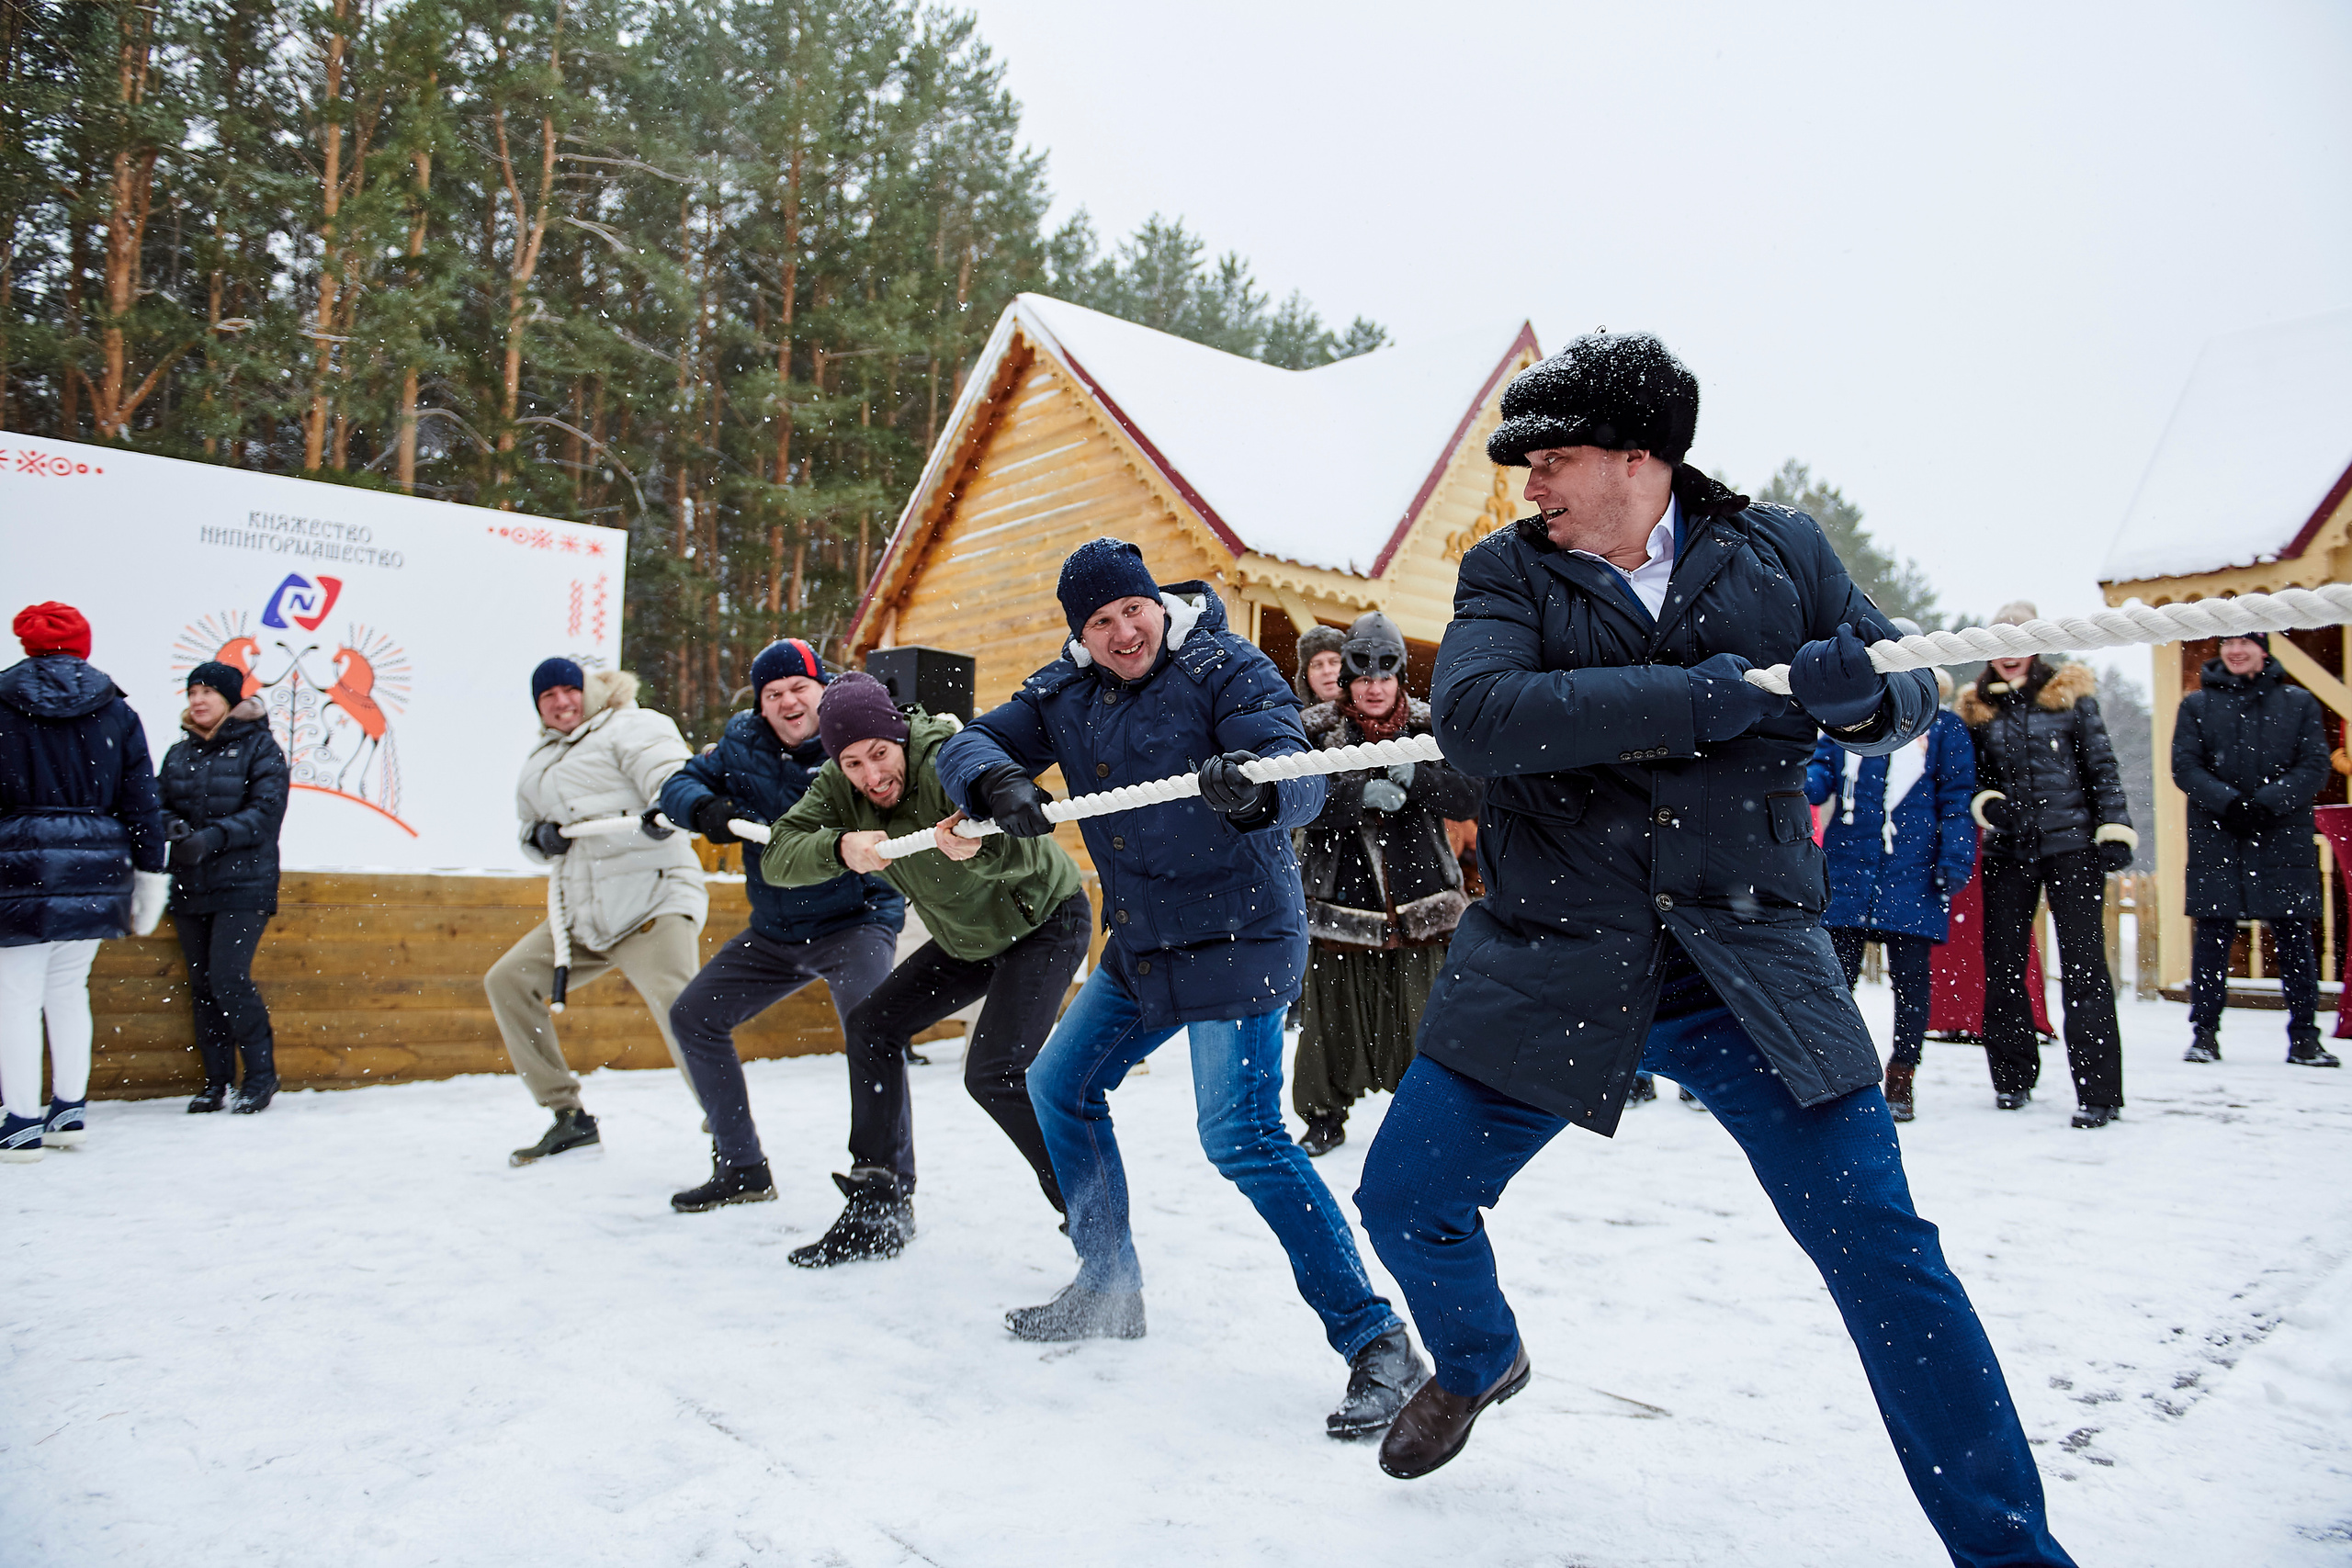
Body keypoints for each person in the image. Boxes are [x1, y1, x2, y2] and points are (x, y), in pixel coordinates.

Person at [1351, 333, 2075, 1568]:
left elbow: (1902, 685)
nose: (1530, 488)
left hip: (1750, 958)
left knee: (1887, 1254)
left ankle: (2012, 1552)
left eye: (1554, 461)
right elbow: (1476, 716)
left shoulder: (1782, 549)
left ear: (1642, 457)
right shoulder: (1506, 574)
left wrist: (1864, 698)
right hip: (1552, 953)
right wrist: (1708, 697)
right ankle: (1478, 1356)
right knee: (1406, 1195)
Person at [936, 537, 1431, 1442]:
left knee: (1238, 1135)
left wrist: (1251, 796)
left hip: (1241, 931)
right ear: (1080, 634)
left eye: (1133, 609)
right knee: (1058, 1086)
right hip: (1146, 943)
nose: (1123, 630)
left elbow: (1294, 773)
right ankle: (1106, 1284)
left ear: (1156, 602)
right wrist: (995, 779)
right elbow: (967, 741)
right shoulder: (1066, 691)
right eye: (1100, 621)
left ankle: (1378, 1341)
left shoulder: (1225, 664)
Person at [762, 671, 1090, 1264]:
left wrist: (981, 844)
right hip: (969, 940)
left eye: (881, 755)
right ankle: (878, 1203)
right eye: (854, 763)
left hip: (1044, 922)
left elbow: (1029, 850)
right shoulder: (841, 785)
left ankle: (1090, 1208)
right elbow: (778, 857)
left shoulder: (945, 760)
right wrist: (837, 847)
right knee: (872, 1026)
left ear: (899, 739)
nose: (872, 776)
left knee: (994, 1073)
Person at [655, 641, 905, 1213]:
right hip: (775, 931)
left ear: (823, 689)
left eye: (799, 687)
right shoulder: (742, 740)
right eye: (774, 694)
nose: (789, 701)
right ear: (761, 705)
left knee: (872, 1035)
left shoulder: (854, 736)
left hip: (856, 921)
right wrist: (705, 809)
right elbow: (678, 785)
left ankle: (888, 1192)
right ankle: (742, 1167)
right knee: (694, 1017)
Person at [489, 659, 705, 1166]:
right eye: (548, 698)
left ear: (587, 692)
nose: (562, 703)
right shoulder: (539, 759)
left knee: (686, 1012)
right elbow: (529, 829)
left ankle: (728, 1128)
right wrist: (537, 840)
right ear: (539, 708)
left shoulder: (633, 725)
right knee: (508, 982)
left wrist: (667, 810)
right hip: (584, 916)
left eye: (570, 691)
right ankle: (568, 1117)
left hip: (652, 901)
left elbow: (670, 776)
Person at [1292, 611, 1479, 1155]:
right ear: (1349, 677)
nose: (1374, 688)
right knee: (1331, 1023)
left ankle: (1424, 1116)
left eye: (1385, 675)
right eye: (1364, 675)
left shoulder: (1429, 728)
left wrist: (1421, 778)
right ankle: (1324, 1115)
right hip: (1339, 900)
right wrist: (1353, 796)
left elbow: (1472, 796)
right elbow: (1293, 803)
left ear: (1399, 676)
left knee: (1423, 1019)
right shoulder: (1316, 731)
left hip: (1421, 897)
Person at [0, 604, 169, 1161]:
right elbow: (144, 803)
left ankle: (20, 1123)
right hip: (97, 866)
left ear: (27, 645)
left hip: (19, 863)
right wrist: (149, 875)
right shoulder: (117, 712)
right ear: (83, 646)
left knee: (16, 1000)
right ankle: (68, 1112)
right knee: (68, 990)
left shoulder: (2, 700)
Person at [1960, 604, 2136, 1128]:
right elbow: (1972, 776)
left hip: (2072, 846)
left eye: (2021, 641)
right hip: (2008, 851)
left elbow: (2101, 764)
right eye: (2001, 642)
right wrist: (1989, 804)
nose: (2011, 653)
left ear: (2038, 644)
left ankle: (2099, 1092)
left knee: (2084, 967)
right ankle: (2012, 1077)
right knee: (2005, 965)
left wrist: (2114, 827)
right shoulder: (1975, 707)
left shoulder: (2070, 695)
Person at [1805, 658, 1977, 1121]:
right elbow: (1820, 776)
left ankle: (1903, 1075)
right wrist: (1797, 775)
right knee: (1836, 982)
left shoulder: (1943, 728)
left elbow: (1956, 797)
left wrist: (1955, 857)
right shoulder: (1847, 721)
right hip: (1848, 868)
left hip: (1913, 869)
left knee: (1911, 982)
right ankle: (1840, 1073)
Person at [2173, 631, 2339, 1067]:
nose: (2236, 650)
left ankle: (2305, 1036)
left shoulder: (2297, 703)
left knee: (2294, 936)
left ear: (2264, 649)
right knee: (2213, 935)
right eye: (2227, 643)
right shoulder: (2196, 706)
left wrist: (2267, 803)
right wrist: (2228, 802)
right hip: (2218, 834)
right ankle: (2204, 1034)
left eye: (2245, 641)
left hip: (2282, 834)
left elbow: (2314, 765)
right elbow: (2185, 766)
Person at [158, 660, 291, 1114]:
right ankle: (216, 1082)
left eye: (207, 692)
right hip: (191, 884)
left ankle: (260, 1076)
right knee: (201, 986)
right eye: (192, 692)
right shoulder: (178, 753)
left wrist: (211, 839)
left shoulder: (261, 748)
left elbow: (265, 814)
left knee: (228, 978)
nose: (197, 700)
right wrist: (172, 827)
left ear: (230, 700)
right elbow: (154, 803)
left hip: (244, 883)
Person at [1294, 624, 1345, 706]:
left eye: (1334, 662)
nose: (1326, 671)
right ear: (1306, 676)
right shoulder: (1294, 718)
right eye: (1317, 665)